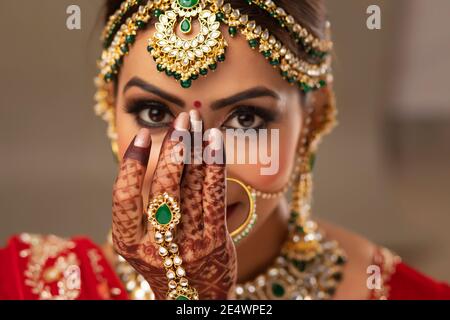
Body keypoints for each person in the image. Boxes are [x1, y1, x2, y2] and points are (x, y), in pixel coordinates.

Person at [1, 0, 449, 300]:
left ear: (314, 117)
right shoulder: (24, 284)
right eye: (155, 113)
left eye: (246, 119)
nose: (194, 164)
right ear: (109, 105)